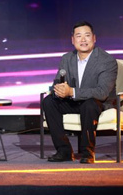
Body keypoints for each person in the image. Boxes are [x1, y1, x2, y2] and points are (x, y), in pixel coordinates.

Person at [42, 20, 118, 163]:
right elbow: (58, 81)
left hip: (97, 103)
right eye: (78, 36)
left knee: (89, 104)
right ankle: (64, 150)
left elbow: (102, 92)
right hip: (74, 101)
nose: (83, 40)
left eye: (87, 35)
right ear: (73, 40)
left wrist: (72, 92)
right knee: (48, 102)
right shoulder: (67, 58)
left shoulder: (106, 60)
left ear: (94, 38)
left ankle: (87, 152)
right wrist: (59, 90)